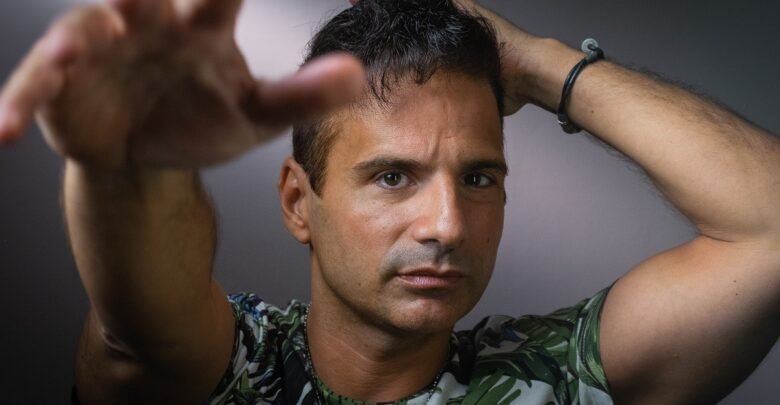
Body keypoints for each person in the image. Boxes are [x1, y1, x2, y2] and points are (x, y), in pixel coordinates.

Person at [0, 0, 777, 403]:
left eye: (478, 178)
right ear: (298, 201)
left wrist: (536, 65)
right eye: (393, 176)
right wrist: (127, 155)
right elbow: (140, 325)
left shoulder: (550, 376)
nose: (447, 225)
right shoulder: (233, 365)